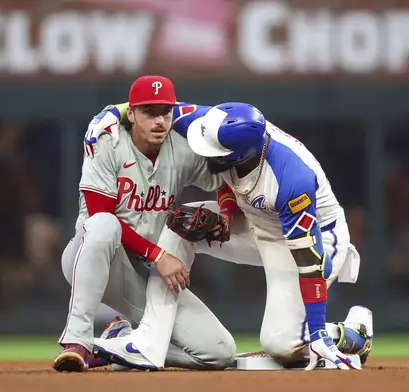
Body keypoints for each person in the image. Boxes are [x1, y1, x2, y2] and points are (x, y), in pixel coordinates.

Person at [92, 102, 373, 371]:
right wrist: (111, 113)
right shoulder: (213, 124)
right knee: (181, 224)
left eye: (213, 149)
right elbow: (157, 104)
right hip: (256, 223)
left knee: (282, 344)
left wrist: (318, 332)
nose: (203, 149)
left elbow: (309, 264)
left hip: (314, 240)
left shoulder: (291, 179)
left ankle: (352, 333)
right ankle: (148, 341)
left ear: (240, 156)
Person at [53, 76, 237, 372]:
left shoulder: (182, 149)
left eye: (165, 111)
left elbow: (227, 183)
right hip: (95, 257)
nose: (159, 120)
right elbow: (101, 214)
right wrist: (160, 255)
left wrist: (226, 213)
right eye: (149, 112)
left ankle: (115, 345)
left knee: (219, 352)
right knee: (103, 224)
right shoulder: (107, 142)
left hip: (142, 271)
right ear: (132, 114)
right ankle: (78, 340)